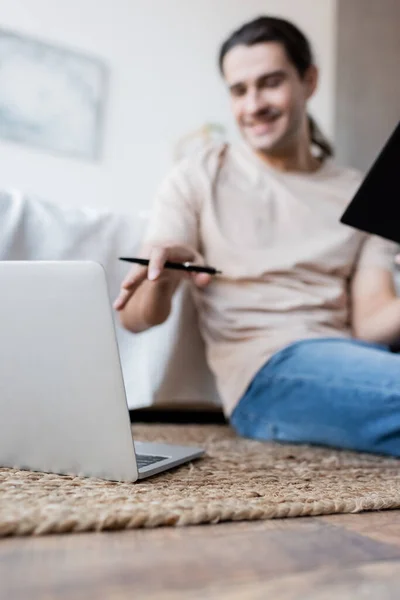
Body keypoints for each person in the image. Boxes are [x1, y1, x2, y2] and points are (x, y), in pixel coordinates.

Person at [114, 16, 400, 457]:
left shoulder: (360, 194)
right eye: (239, 90)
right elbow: (135, 319)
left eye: (269, 83)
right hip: (264, 371)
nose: (253, 104)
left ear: (309, 80)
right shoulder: (199, 174)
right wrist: (165, 276)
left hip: (350, 358)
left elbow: (372, 321)